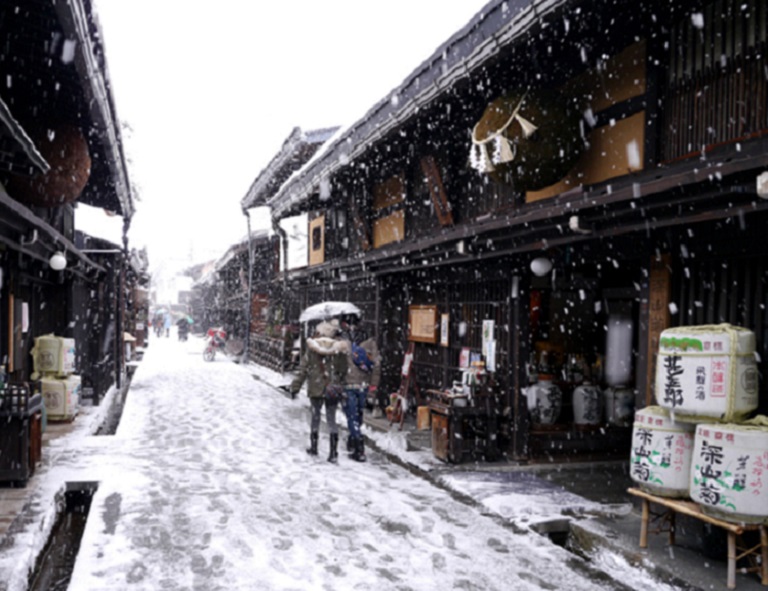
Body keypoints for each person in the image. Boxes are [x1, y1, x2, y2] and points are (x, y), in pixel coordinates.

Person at [289, 320, 348, 463]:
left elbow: (303, 370)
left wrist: (295, 387)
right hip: (332, 389)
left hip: (316, 387)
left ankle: (314, 448)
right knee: (331, 419)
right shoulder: (338, 349)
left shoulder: (312, 348)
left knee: (315, 417)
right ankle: (333, 453)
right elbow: (343, 370)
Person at [340, 315, 381, 462]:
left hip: (349, 384)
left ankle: (359, 448)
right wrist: (373, 387)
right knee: (358, 415)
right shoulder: (370, 342)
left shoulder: (344, 342)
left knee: (351, 416)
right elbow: (376, 365)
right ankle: (353, 440)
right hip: (364, 385)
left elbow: (339, 366)